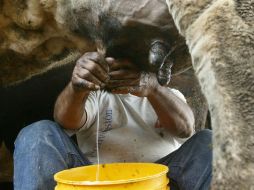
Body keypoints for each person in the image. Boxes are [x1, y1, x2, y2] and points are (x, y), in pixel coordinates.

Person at [14, 52, 212, 190]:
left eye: (129, 66)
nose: (123, 70)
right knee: (37, 133)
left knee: (208, 141)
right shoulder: (94, 93)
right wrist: (77, 86)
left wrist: (153, 88)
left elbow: (185, 129)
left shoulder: (165, 94)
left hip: (161, 183)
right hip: (94, 183)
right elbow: (66, 121)